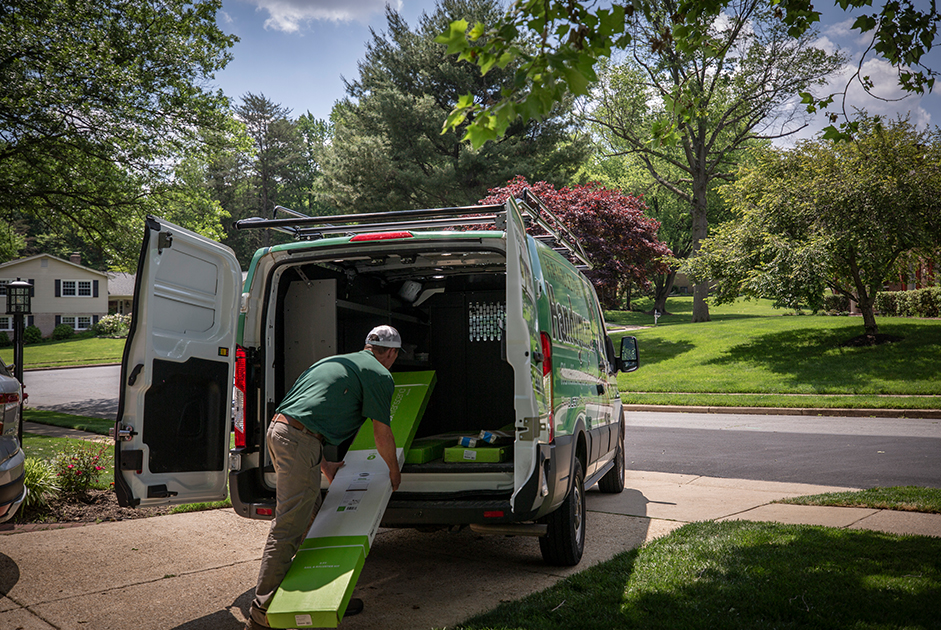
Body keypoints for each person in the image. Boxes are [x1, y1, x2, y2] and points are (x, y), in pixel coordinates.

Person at [246, 325, 403, 629]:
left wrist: (324, 464)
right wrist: (394, 471)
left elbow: (304, 412)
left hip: (280, 432)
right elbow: (381, 432)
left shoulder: (333, 362)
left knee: (313, 519)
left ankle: (323, 598)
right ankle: (261, 613)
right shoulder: (379, 374)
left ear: (368, 345)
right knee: (289, 525)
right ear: (392, 353)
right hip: (298, 440)